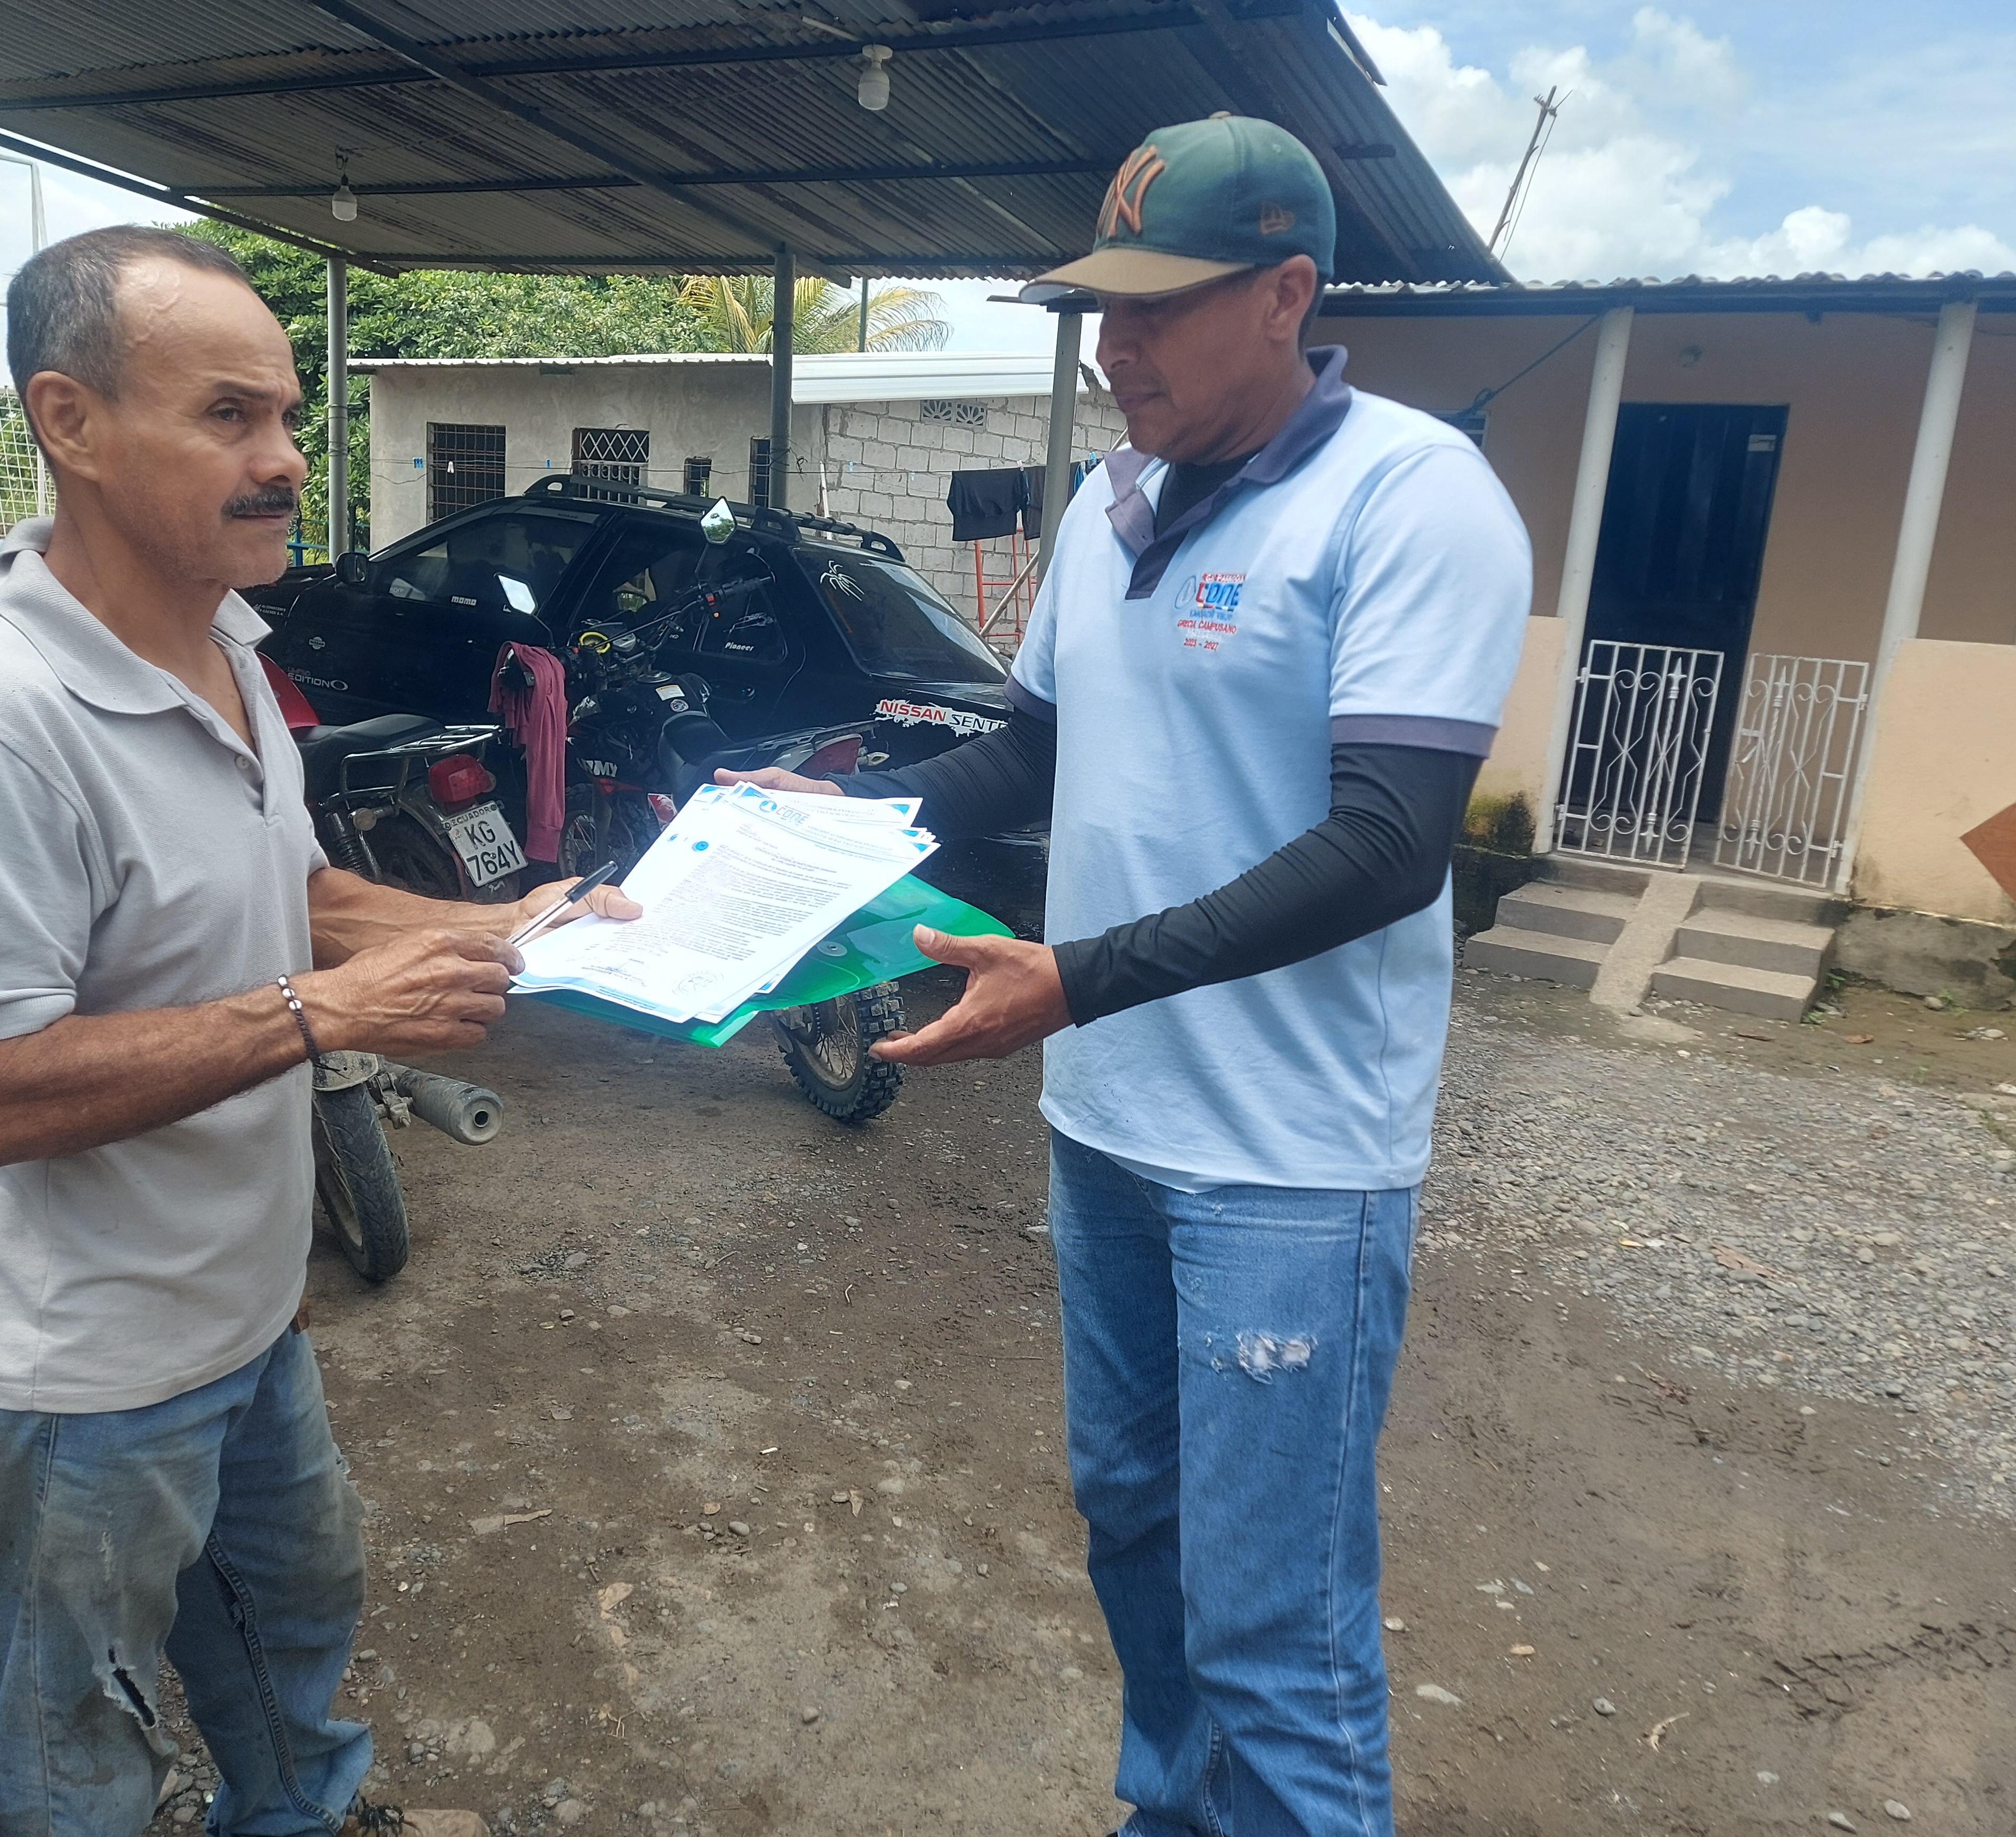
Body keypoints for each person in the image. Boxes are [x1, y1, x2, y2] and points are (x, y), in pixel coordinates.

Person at [718, 115, 1530, 1836]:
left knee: (1273, 1631)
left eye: (1159, 307)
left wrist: (1076, 978)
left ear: (1287, 296)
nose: (1115, 345)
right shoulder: (1107, 504)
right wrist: (853, 818)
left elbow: (1391, 843)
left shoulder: (1412, 496)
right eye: (1101, 307)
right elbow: (1032, 754)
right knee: (1134, 1533)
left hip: (1289, 1164)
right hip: (1107, 1131)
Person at [0, 225, 636, 1837]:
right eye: (227, 416)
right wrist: (320, 1014)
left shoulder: (224, 647)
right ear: (69, 421)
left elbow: (299, 891)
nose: (283, 459)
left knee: (293, 1636)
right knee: (69, 1753)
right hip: (67, 1378)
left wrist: (510, 923)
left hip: (240, 1317)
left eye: (286, 415)